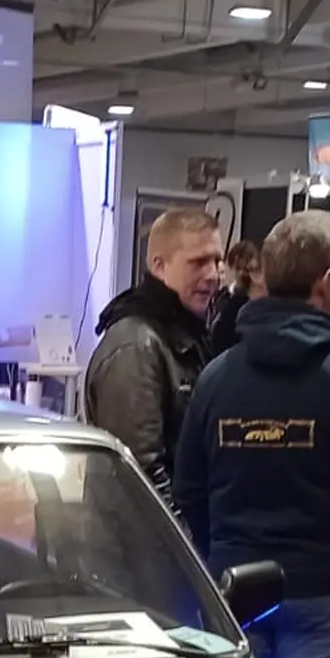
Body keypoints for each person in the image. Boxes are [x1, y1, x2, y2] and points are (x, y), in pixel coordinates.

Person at [174, 208, 330, 658]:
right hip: (327, 588)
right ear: (325, 281)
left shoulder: (216, 378)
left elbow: (189, 490)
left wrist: (224, 555)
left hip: (235, 587)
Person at [84, 206, 222, 500]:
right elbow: (138, 476)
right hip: (141, 528)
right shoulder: (136, 346)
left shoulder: (190, 333)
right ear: (159, 265)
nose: (213, 275)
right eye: (198, 262)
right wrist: (182, 530)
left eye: (217, 261)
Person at [208, 241, 263, 357]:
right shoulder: (220, 297)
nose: (242, 273)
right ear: (231, 267)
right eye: (238, 268)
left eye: (246, 269)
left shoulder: (260, 303)